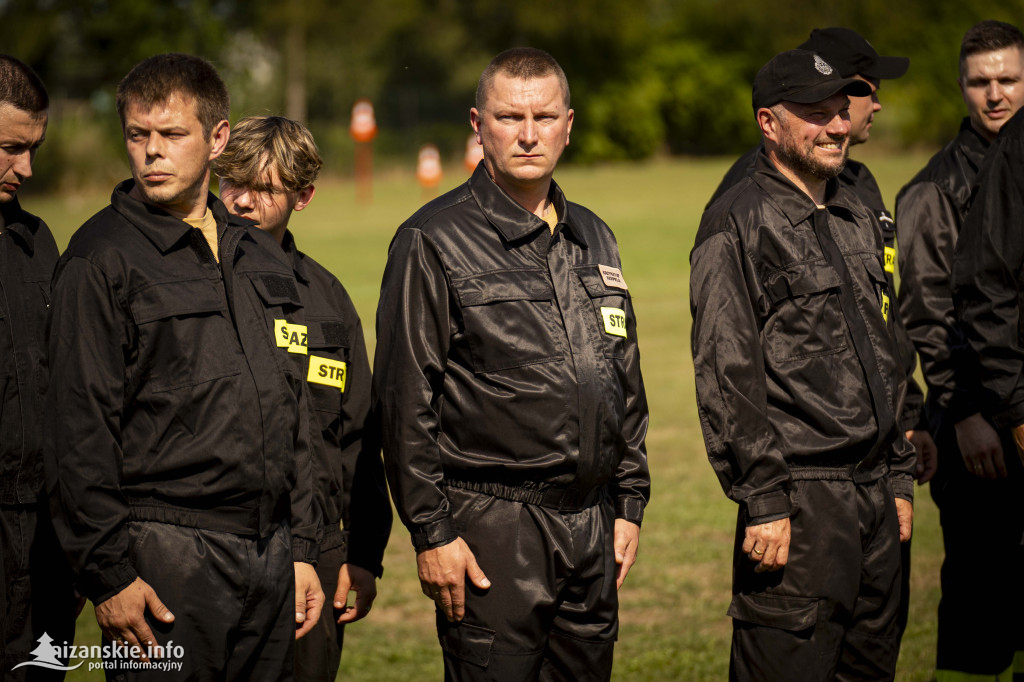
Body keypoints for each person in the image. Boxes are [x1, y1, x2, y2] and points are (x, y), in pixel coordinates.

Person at [373, 47, 650, 681]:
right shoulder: (431, 239)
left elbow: (622, 376)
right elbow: (403, 401)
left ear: (569, 124)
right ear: (478, 125)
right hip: (491, 529)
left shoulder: (594, 235)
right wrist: (432, 532)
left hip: (593, 525)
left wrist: (629, 501)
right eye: (509, 117)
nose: (529, 134)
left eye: (545, 116)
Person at [45, 54, 323, 680]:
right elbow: (75, 430)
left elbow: (295, 410)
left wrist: (301, 548)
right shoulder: (100, 258)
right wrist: (110, 574)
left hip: (270, 553)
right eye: (138, 135)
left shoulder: (257, 253)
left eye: (172, 135)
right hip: (164, 554)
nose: (151, 153)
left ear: (217, 139)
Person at [691, 49, 915, 681]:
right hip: (801, 507)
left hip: (876, 502)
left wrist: (898, 475)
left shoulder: (853, 209)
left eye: (842, 111)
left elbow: (886, 351)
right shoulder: (736, 222)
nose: (838, 127)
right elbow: (726, 372)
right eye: (816, 114)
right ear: (768, 123)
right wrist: (764, 499)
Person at [707, 28, 937, 485]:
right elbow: (730, 360)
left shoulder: (857, 186)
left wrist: (908, 414)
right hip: (805, 475)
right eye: (868, 90)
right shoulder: (746, 202)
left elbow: (879, 317)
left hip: (878, 462)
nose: (874, 105)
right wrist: (765, 490)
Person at [213, 115, 392, 682]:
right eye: (232, 182)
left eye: (264, 189)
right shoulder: (192, 286)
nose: (242, 201)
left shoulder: (327, 298)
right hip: (217, 552)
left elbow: (360, 437)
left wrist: (363, 555)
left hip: (319, 552)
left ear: (303, 196)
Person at [897, 20, 1024, 682]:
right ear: (961, 87)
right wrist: (967, 412)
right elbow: (927, 310)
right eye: (981, 82)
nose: (995, 95)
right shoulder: (931, 189)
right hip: (975, 422)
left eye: (1008, 79)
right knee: (981, 597)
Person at [0, 54, 78, 678]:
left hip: (47, 534)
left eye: (33, 148)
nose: (26, 167)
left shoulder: (39, 242)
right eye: (8, 148)